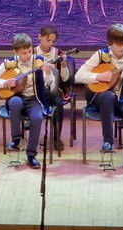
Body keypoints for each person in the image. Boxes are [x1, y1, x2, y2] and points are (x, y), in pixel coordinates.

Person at [75, 23, 123, 170]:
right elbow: (78, 76)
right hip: (101, 99)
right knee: (108, 96)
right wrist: (98, 76)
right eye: (118, 44)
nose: (122, 48)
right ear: (110, 43)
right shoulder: (101, 55)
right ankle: (108, 141)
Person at [0, 32, 54, 168]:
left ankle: (31, 155)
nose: (28, 55)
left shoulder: (39, 61)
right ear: (15, 52)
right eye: (24, 53)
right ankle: (16, 140)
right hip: (16, 98)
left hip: (34, 99)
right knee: (15, 102)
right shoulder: (9, 63)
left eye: (29, 51)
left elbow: (50, 85)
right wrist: (4, 83)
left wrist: (47, 73)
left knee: (37, 118)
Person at [35, 24, 75, 152]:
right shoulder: (32, 53)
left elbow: (65, 79)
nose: (50, 44)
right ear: (39, 37)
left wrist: (63, 65)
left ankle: (57, 137)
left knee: (58, 103)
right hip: (35, 89)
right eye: (48, 40)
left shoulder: (59, 54)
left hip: (54, 89)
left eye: (53, 41)